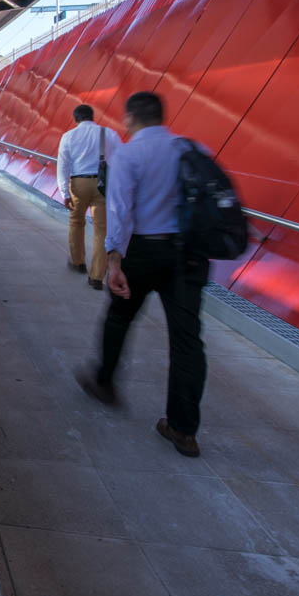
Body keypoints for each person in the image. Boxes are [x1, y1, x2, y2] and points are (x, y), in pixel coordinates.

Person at [76, 91, 210, 458]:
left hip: (145, 250)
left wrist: (115, 261)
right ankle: (183, 429)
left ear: (131, 118)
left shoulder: (129, 154)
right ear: (162, 116)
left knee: (119, 317)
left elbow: (120, 210)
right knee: (187, 340)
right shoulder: (193, 149)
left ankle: (105, 382)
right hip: (189, 255)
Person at [56, 104, 122, 289]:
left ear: (76, 119)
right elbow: (120, 160)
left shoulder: (68, 136)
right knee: (102, 230)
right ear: (92, 117)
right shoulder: (109, 134)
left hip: (79, 184)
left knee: (76, 222)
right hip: (103, 184)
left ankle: (78, 262)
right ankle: (97, 277)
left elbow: (63, 166)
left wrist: (64, 192)